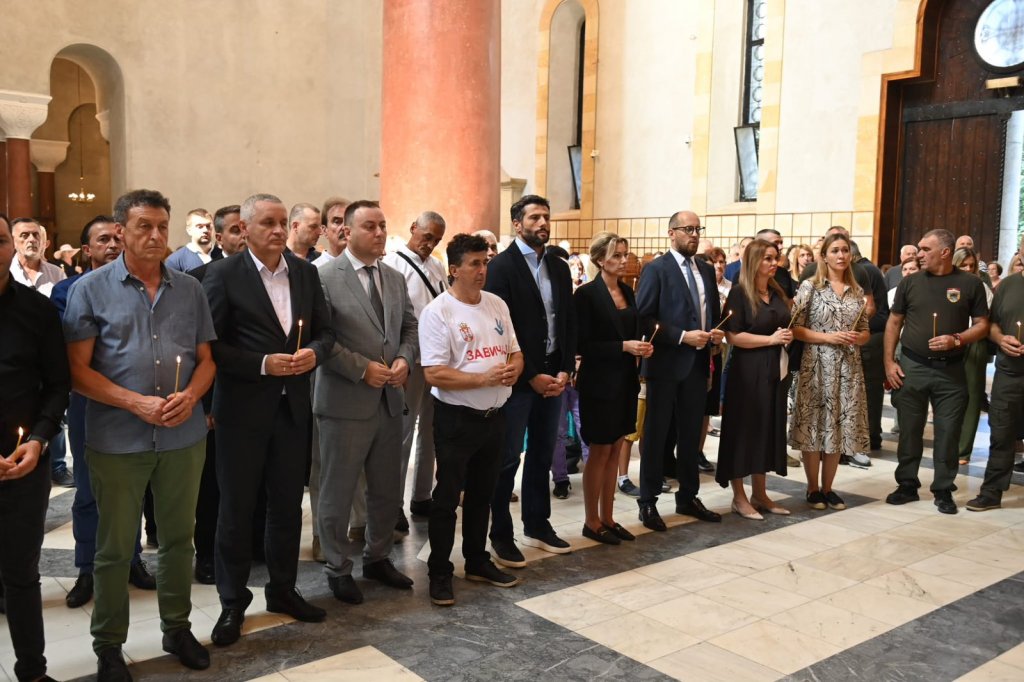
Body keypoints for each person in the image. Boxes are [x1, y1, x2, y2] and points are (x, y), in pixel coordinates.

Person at [64, 189, 216, 677]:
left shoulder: (189, 289)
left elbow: (206, 361)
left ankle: (177, 627)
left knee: (178, 540)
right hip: (117, 440)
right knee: (113, 548)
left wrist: (190, 396)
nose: (155, 236)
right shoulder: (91, 289)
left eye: (162, 227)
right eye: (143, 226)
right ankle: (109, 644)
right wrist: (135, 402)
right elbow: (77, 371)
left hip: (182, 437)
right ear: (120, 231)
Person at [202, 193, 334, 646]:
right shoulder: (222, 275)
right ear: (244, 229)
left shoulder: (305, 272)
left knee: (286, 507)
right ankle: (232, 602)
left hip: (292, 409)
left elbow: (326, 331)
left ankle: (282, 589)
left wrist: (314, 353)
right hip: (241, 411)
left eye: (282, 222)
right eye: (268, 223)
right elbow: (210, 345)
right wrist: (262, 364)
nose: (278, 230)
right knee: (236, 510)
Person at [314, 200, 418, 604]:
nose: (379, 233)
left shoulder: (393, 277)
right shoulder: (323, 277)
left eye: (383, 225)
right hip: (345, 402)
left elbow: (409, 326)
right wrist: (361, 369)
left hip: (390, 399)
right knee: (338, 492)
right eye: (369, 226)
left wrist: (405, 359)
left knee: (387, 489)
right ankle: (337, 567)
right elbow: (321, 339)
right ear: (347, 232)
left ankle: (378, 557)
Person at [52, 216, 158, 609]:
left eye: (117, 238)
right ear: (86, 250)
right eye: (103, 240)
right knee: (89, 488)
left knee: (132, 486)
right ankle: (87, 567)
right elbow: (71, 350)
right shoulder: (69, 290)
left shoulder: (138, 287)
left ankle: (131, 559)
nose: (112, 245)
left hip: (136, 400)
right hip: (91, 400)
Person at [418, 233, 525, 605]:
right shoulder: (438, 312)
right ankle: (439, 571)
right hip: (457, 419)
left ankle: (477, 560)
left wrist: (514, 369)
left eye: (485, 263)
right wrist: (483, 379)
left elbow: (515, 352)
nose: (482, 270)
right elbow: (434, 373)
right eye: (474, 264)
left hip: (494, 416)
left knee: (483, 493)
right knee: (447, 497)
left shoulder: (496, 304)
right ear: (454, 269)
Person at [484, 195, 577, 565]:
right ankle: (501, 534)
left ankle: (538, 524)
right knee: (508, 458)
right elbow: (502, 329)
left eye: (546, 217)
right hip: (519, 379)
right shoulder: (501, 267)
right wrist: (532, 374)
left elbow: (565, 321)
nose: (542, 223)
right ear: (517, 224)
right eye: (534, 217)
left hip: (554, 374)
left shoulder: (558, 266)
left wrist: (566, 368)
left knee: (542, 451)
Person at [0, 212, 71, 682]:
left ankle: (32, 670)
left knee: (22, 572)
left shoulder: (36, 310)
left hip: (23, 462)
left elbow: (58, 383)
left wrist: (41, 439)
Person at [884, 228, 989, 515]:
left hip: (952, 370)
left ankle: (943, 489)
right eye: (919, 248)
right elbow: (894, 323)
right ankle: (907, 484)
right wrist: (889, 363)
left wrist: (957, 339)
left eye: (925, 249)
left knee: (948, 433)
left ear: (945, 252)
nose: (919, 254)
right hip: (913, 366)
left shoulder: (970, 283)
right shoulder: (910, 282)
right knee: (909, 430)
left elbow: (982, 324)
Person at [635, 210, 724, 532]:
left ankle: (688, 496)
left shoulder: (705, 269)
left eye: (698, 229)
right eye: (688, 229)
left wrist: (715, 333)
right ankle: (647, 501)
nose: (694, 235)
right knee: (656, 435)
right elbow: (644, 318)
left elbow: (711, 313)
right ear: (671, 233)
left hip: (698, 364)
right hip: (665, 364)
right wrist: (682, 336)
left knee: (690, 436)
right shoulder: (656, 269)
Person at [574, 232, 652, 544]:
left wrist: (642, 347)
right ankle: (591, 520)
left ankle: (608, 516)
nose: (623, 261)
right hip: (598, 382)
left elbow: (634, 331)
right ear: (599, 260)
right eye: (616, 255)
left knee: (616, 448)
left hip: (625, 380)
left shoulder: (627, 291)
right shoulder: (587, 295)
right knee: (600, 450)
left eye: (624, 254)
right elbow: (583, 345)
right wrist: (623, 346)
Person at [789, 233, 870, 511]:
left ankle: (828, 488)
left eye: (845, 250)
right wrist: (828, 337)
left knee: (838, 426)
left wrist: (857, 338)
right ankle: (813, 488)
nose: (841, 255)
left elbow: (866, 331)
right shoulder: (810, 287)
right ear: (824, 256)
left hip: (848, 367)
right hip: (816, 365)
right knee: (813, 425)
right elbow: (795, 328)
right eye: (835, 250)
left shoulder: (856, 291)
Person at [717, 239, 793, 519]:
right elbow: (732, 336)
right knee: (743, 431)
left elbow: (783, 323)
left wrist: (787, 335)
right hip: (748, 372)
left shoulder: (776, 291)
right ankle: (739, 497)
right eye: (768, 259)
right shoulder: (739, 293)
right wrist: (770, 339)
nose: (774, 263)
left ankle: (760, 494)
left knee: (766, 430)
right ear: (754, 261)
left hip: (774, 369)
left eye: (776, 258)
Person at [382, 211, 447, 525]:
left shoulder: (437, 266)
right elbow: (392, 317)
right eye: (427, 236)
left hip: (436, 361)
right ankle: (393, 503)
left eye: (436, 240)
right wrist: (400, 358)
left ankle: (422, 496)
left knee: (432, 432)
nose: (430, 244)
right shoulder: (393, 264)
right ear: (413, 229)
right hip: (409, 360)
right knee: (403, 433)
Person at [968, 234, 1024, 510]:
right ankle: (991, 492)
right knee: (1001, 433)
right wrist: (1001, 339)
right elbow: (991, 325)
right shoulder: (1008, 285)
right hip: (1010, 374)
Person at [951, 247, 994, 465]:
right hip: (949, 341)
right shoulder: (946, 284)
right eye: (963, 265)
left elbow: (987, 318)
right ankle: (948, 444)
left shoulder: (981, 287)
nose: (968, 269)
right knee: (948, 394)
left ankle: (963, 450)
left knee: (972, 396)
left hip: (974, 342)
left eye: (971, 265)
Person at [10, 218, 66, 297]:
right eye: (24, 235)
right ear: (12, 241)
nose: (32, 239)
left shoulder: (57, 273)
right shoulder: (5, 273)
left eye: (36, 235)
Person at [312, 197, 350, 267]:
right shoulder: (314, 269)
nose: (344, 227)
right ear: (324, 230)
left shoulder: (364, 266)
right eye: (337, 222)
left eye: (348, 221)